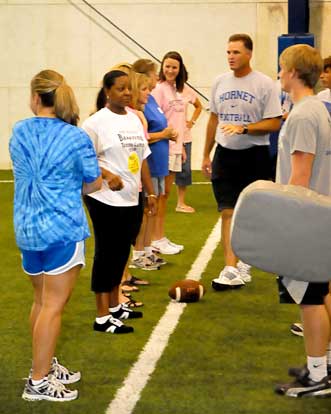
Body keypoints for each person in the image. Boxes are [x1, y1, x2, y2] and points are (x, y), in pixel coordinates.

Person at [9, 69, 102, 402]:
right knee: (52, 306)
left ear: (36, 97)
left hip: (27, 228)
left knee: (40, 301)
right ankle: (38, 380)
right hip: (62, 228)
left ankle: (43, 363)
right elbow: (93, 183)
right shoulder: (76, 137)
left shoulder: (18, 131)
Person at [202, 33, 282, 290]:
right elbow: (213, 119)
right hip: (225, 154)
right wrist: (206, 153)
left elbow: (274, 122)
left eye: (236, 52)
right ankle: (230, 268)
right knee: (227, 211)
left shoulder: (265, 84)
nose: (231, 57)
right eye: (228, 52)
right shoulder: (219, 82)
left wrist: (245, 128)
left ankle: (244, 261)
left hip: (254, 155)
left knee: (249, 214)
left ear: (249, 54)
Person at [274, 44, 331, 398]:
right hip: (322, 212)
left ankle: (317, 375)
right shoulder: (321, 109)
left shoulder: (303, 115)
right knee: (323, 292)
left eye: (281, 68)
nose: (279, 73)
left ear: (293, 72)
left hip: (309, 217)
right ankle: (323, 364)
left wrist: (284, 223)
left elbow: (300, 176)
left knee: (310, 297)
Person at [82, 70, 156, 334]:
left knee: (122, 253)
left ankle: (115, 307)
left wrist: (149, 192)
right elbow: (82, 159)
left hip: (131, 198)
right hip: (104, 198)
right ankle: (102, 316)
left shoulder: (135, 119)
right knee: (106, 254)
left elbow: (143, 158)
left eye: (129, 89)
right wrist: (107, 174)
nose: (127, 93)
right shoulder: (94, 123)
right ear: (107, 91)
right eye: (121, 89)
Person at [150, 51, 201, 254]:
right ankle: (156, 238)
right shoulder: (159, 90)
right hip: (163, 147)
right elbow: (156, 122)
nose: (170, 70)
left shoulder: (181, 90)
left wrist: (181, 147)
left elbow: (182, 119)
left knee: (166, 194)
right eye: (167, 66)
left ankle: (160, 237)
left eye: (174, 67)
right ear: (162, 67)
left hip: (176, 148)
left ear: (180, 69)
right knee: (159, 195)